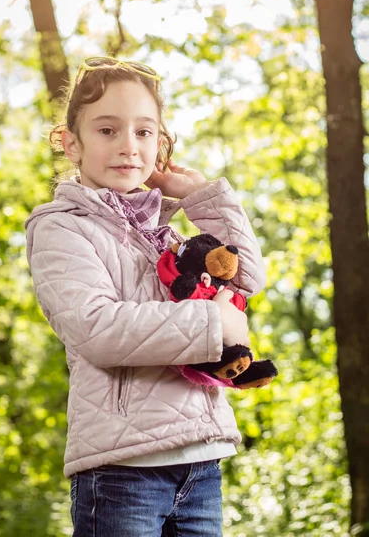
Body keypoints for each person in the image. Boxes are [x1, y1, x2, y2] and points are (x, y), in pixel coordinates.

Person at [24, 56, 266, 537]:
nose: (128, 147)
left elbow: (247, 278)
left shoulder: (164, 228)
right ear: (72, 143)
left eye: (144, 132)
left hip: (201, 462)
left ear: (160, 144)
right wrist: (214, 325)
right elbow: (98, 329)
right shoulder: (61, 227)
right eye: (108, 130)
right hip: (120, 471)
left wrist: (202, 198)